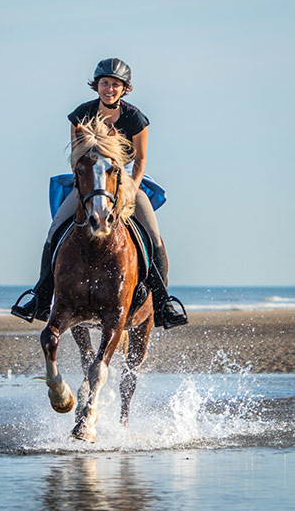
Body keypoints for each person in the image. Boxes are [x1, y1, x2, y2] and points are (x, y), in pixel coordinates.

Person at [11, 58, 187, 329]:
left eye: (115, 85)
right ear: (97, 86)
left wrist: (131, 186)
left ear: (124, 89)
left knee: (153, 236)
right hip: (89, 183)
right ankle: (41, 296)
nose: (109, 89)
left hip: (126, 183)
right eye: (105, 83)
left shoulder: (135, 118)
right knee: (54, 231)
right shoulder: (81, 115)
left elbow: (140, 161)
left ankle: (163, 303)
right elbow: (76, 157)